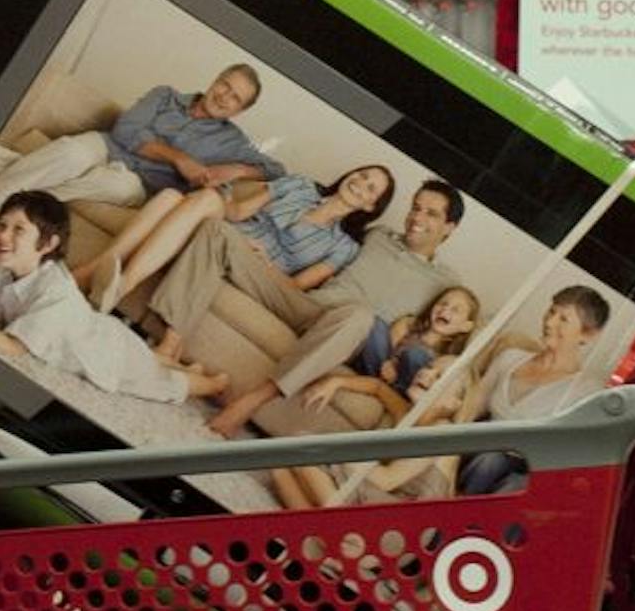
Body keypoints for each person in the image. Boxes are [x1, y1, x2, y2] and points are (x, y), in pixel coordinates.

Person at [193, 183, 467, 439]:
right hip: (307, 304)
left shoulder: (446, 282)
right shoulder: (378, 234)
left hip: (352, 333)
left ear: (449, 227)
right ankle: (169, 346)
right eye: (416, 207)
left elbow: (438, 336)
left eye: (431, 214)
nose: (417, 218)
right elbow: (329, 220)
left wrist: (399, 354)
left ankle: (249, 403)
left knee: (360, 314)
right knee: (219, 232)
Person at [0, 190, 226, 403]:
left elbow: (14, 348)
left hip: (107, 355)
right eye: (2, 226)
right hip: (97, 327)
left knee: (162, 382)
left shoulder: (57, 292)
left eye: (19, 230)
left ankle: (211, 383)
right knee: (152, 360)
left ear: (48, 244)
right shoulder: (5, 262)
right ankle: (172, 361)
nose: (3, 236)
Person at [0, 64, 280, 220]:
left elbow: (277, 171)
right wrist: (179, 158)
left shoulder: (231, 141)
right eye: (225, 85)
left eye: (235, 98)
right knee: (71, 152)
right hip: (109, 146)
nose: (224, 97)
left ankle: (12, 199)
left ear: (240, 111)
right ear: (215, 79)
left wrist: (237, 169)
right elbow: (126, 129)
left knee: (109, 186)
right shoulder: (164, 95)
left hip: (137, 183)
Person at [73, 165, 393, 313]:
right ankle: (104, 277)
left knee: (195, 201)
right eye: (363, 175)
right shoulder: (300, 185)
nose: (361, 183)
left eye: (370, 189)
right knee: (173, 195)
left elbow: (296, 288)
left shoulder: (344, 246)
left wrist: (266, 264)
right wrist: (212, 199)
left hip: (255, 269)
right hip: (227, 234)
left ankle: (113, 280)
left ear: (370, 207)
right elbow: (238, 212)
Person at [450, 285, 612, 497]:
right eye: (551, 311)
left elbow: (569, 458)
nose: (549, 322)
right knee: (490, 460)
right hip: (481, 451)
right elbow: (470, 409)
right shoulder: (510, 358)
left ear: (588, 335)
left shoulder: (586, 391)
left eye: (563, 319)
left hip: (524, 468)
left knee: (510, 484)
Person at [270, 355, 470, 508]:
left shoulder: (442, 433)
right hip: (379, 498)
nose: (426, 373)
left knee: (306, 448)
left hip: (401, 525)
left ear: (453, 403)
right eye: (428, 366)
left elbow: (386, 480)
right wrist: (336, 382)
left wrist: (336, 450)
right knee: (280, 467)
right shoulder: (406, 413)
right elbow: (378, 388)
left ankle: (337, 534)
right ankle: (314, 534)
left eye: (440, 377)